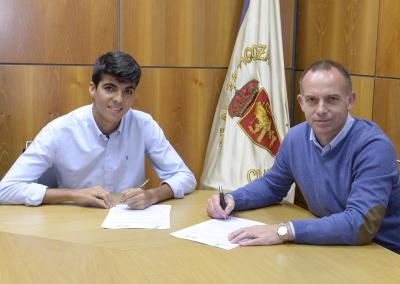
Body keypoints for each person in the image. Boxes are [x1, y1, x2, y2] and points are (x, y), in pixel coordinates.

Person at [207, 60, 400, 254]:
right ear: (301, 102)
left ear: (349, 100)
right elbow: (272, 186)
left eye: (332, 99)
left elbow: (360, 224)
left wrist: (284, 231)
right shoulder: (296, 137)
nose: (321, 109)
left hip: (382, 253)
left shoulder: (374, 147)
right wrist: (233, 199)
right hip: (332, 246)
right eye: (312, 100)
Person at [0, 51, 196, 208]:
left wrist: (153, 195)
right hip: (72, 228)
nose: (119, 99)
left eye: (128, 91)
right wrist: (74, 195)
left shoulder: (143, 124)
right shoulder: (60, 130)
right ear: (93, 88)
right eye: (110, 88)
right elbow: (6, 189)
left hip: (126, 226)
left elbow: (185, 177)